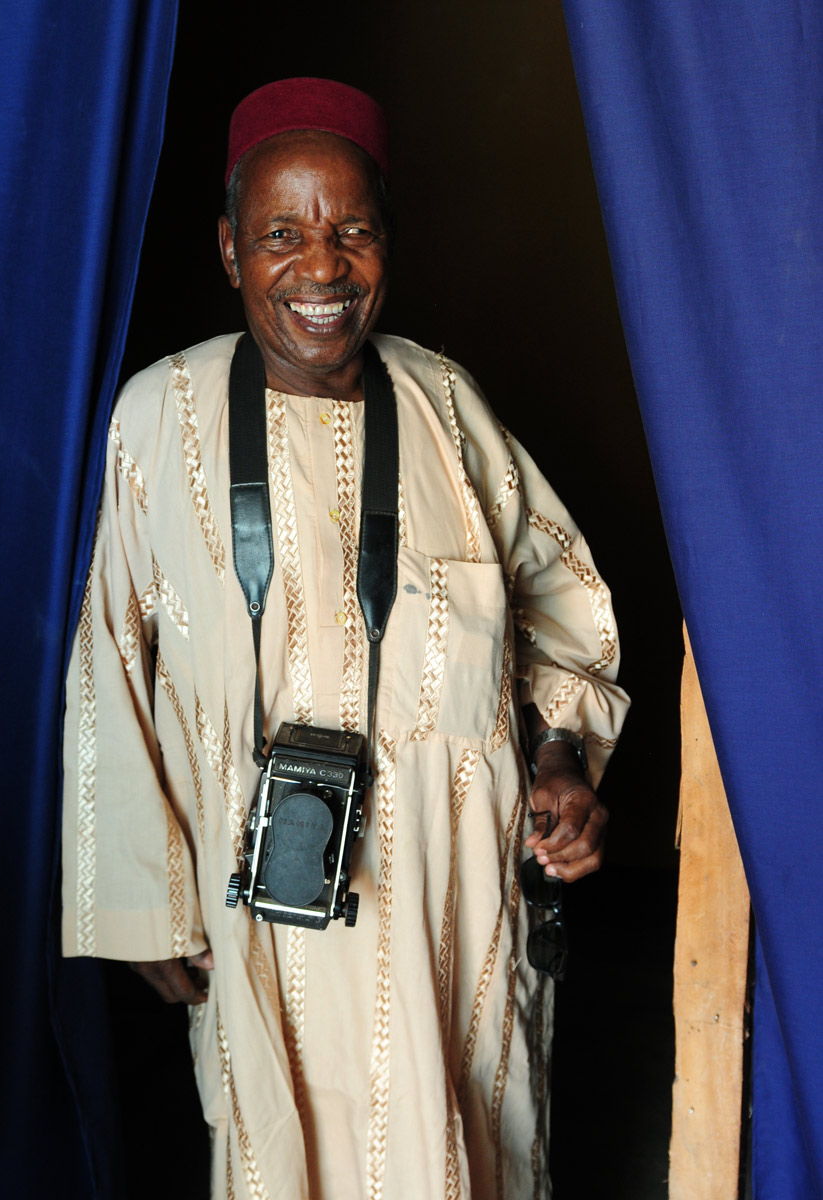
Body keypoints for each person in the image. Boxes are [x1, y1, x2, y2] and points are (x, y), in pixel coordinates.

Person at [62, 78, 629, 1200]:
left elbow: (569, 613)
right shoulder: (155, 421)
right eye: (283, 234)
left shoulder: (447, 407)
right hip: (262, 930)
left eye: (351, 232)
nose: (321, 269)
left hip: (450, 920)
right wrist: (139, 896)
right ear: (230, 250)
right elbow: (106, 667)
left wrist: (562, 758)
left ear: (387, 244)